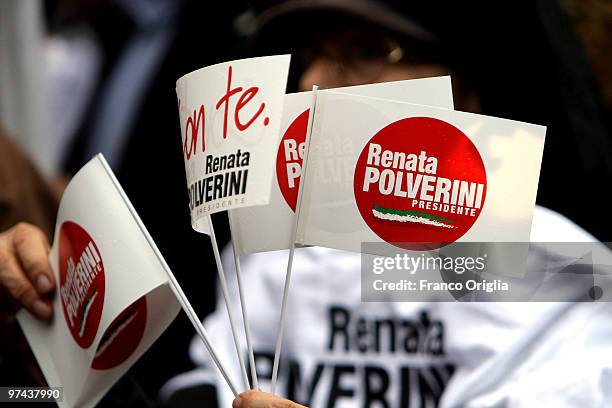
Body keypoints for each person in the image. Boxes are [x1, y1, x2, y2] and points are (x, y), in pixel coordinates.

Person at [162, 1, 612, 407]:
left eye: (365, 50)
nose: (311, 80)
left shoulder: (561, 265)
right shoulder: (270, 257)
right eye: (310, 54)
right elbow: (211, 379)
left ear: (472, 81)